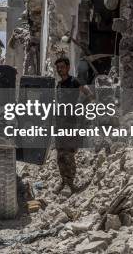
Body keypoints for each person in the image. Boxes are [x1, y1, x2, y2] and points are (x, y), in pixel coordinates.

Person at [53, 56, 94, 194]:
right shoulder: (58, 85)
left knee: (69, 154)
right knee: (60, 155)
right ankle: (63, 182)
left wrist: (81, 107)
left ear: (68, 67)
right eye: (58, 67)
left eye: (62, 67)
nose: (60, 69)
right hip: (60, 123)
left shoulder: (75, 81)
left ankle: (71, 184)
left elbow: (89, 95)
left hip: (71, 123)